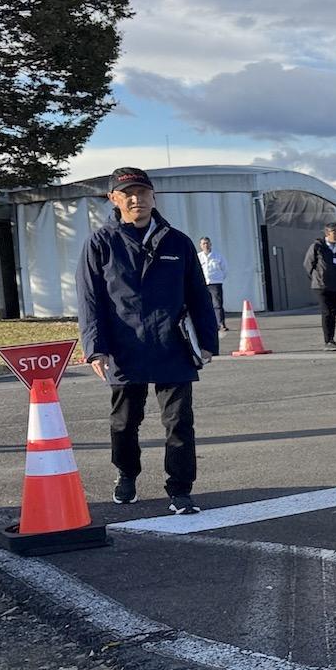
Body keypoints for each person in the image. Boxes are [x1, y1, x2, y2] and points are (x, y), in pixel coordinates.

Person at [77, 166, 219, 515]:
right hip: (125, 347)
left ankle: (180, 489)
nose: (135, 198)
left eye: (142, 192)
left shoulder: (178, 242)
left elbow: (198, 295)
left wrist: (208, 341)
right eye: (127, 193)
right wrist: (96, 348)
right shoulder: (100, 243)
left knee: (179, 422)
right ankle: (126, 474)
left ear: (154, 196)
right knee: (124, 421)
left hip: (174, 345)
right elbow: (90, 300)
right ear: (114, 199)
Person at [303, 222, 336, 349]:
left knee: (333, 313)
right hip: (321, 285)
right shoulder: (317, 246)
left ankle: (332, 339)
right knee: (327, 312)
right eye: (334, 232)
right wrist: (315, 277)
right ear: (327, 233)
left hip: (335, 284)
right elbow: (308, 264)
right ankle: (327, 341)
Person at [196, 236, 228, 330]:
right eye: (203, 243)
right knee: (203, 305)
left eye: (207, 243)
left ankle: (221, 324)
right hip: (202, 284)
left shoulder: (218, 256)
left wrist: (219, 278)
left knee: (217, 305)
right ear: (200, 245)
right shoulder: (198, 257)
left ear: (211, 244)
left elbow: (225, 269)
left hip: (215, 283)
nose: (206, 245)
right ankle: (206, 325)